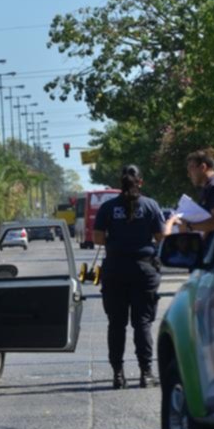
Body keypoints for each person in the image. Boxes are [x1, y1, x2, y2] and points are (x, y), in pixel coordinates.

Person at [93, 166, 170, 389]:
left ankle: (118, 375)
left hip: (115, 270)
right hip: (144, 270)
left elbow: (98, 238)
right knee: (142, 323)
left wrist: (118, 243)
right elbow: (160, 236)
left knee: (116, 324)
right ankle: (146, 373)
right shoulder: (150, 205)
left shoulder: (108, 207)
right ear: (140, 182)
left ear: (121, 182)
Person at [169, 150, 214, 239]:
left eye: (191, 168)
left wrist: (189, 226)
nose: (189, 174)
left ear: (203, 167)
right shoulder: (207, 188)